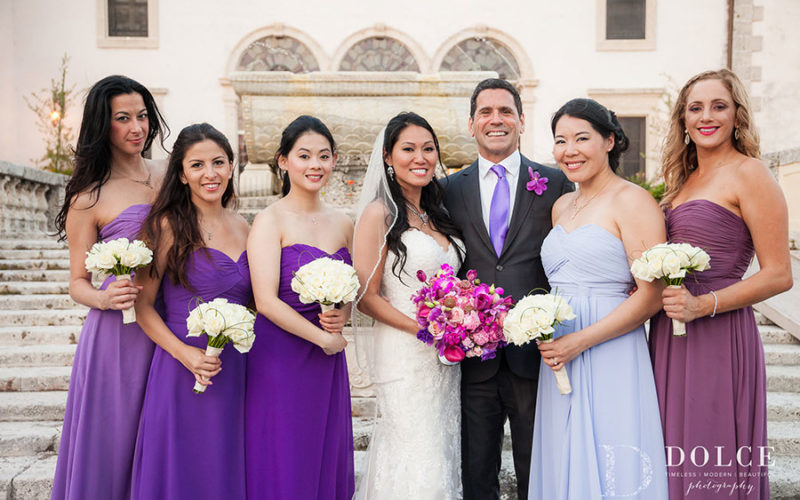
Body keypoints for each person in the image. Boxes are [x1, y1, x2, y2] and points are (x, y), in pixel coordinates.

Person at [649, 69, 792, 499]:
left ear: (736, 116)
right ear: (683, 120)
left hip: (718, 331)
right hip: (668, 333)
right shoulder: (681, 182)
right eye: (696, 108)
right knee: (671, 455)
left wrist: (702, 305)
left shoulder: (751, 173)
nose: (706, 116)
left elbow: (779, 274)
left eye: (718, 106)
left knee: (708, 456)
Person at [529, 98, 669, 499]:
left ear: (609, 140)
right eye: (560, 140)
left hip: (610, 348)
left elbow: (650, 297)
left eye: (581, 138)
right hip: (560, 351)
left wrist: (580, 340)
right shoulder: (561, 206)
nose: (569, 150)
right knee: (563, 453)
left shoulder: (633, 200)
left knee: (613, 450)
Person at [442, 78, 572, 499]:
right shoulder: (448, 189)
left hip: (534, 356)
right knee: (477, 471)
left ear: (520, 120)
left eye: (504, 111)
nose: (495, 119)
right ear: (471, 123)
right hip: (474, 358)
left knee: (537, 467)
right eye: (486, 112)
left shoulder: (554, 183)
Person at [50, 75, 168, 500]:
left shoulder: (170, 172)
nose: (136, 127)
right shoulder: (88, 198)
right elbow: (77, 283)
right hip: (120, 336)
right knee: (117, 442)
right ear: (104, 125)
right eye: (123, 118)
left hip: (176, 319)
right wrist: (103, 296)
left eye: (142, 116)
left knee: (165, 440)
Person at [130, 123, 251, 499]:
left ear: (231, 167)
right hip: (181, 367)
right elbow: (143, 307)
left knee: (225, 467)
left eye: (218, 162)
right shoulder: (165, 226)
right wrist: (185, 354)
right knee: (184, 470)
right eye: (197, 165)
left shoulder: (246, 227)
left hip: (235, 369)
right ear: (181, 174)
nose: (209, 173)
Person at [353, 111, 465, 499]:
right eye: (408, 149)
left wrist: (464, 319)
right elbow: (365, 297)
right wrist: (424, 329)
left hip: (445, 355)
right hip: (404, 352)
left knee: (441, 449)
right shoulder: (378, 214)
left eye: (428, 148)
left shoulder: (437, 213)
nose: (420, 157)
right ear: (388, 156)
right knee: (414, 453)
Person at [245, 115, 355, 500]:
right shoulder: (269, 219)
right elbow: (264, 301)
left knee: (323, 448)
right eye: (304, 155)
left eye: (323, 156)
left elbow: (350, 292)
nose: (315, 165)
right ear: (283, 161)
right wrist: (321, 338)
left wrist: (343, 315)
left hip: (327, 357)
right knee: (285, 452)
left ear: (334, 160)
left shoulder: (343, 222)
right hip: (280, 355)